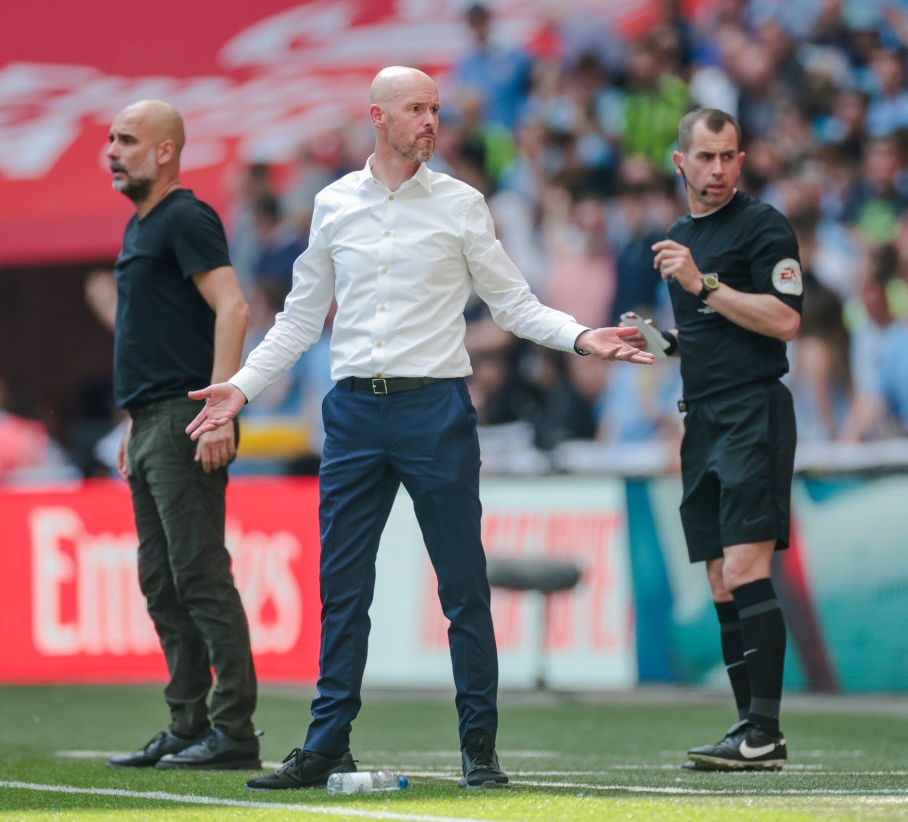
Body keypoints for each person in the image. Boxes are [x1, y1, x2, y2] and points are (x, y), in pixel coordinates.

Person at [185, 66, 654, 792]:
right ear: (378, 117)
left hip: (435, 409)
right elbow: (304, 317)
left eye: (435, 109)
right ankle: (326, 743)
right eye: (416, 109)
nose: (431, 121)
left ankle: (479, 749)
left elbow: (514, 303)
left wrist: (581, 337)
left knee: (462, 585)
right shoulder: (334, 203)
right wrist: (243, 386)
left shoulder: (464, 204)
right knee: (343, 586)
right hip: (351, 414)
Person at [639, 108, 803, 771]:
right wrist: (661, 342)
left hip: (753, 413)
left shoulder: (763, 226)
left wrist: (702, 281)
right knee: (717, 579)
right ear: (680, 162)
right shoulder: (681, 232)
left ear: (741, 159)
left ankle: (764, 729)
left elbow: (785, 320)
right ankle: (748, 729)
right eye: (706, 157)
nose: (718, 169)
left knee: (744, 569)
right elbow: (712, 331)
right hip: (702, 416)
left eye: (729, 156)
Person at [103, 99, 260, 771]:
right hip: (149, 423)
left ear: (165, 151)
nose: (112, 151)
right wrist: (131, 423)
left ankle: (232, 732)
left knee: (198, 575)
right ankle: (188, 723)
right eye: (111, 139)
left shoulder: (184, 217)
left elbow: (234, 305)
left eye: (128, 140)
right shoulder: (141, 227)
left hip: (182, 417)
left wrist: (220, 410)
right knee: (162, 581)